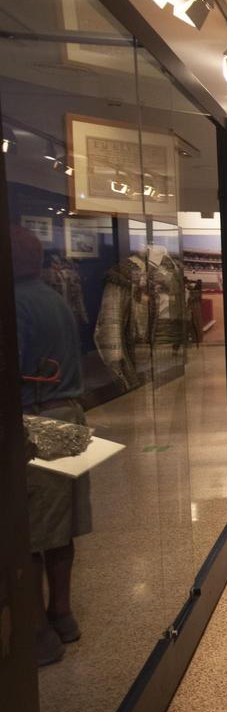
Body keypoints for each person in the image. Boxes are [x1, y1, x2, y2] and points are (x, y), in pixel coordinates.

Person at [11, 226, 91, 667]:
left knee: (29, 531)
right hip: (67, 416)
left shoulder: (16, 303)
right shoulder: (53, 299)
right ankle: (61, 613)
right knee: (60, 528)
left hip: (34, 422)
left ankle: (38, 631)